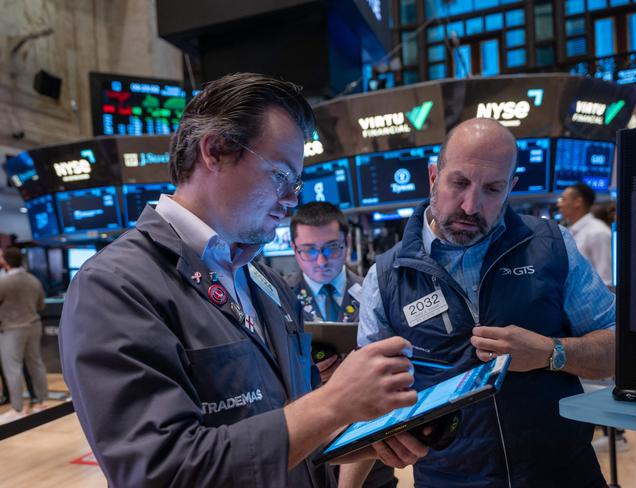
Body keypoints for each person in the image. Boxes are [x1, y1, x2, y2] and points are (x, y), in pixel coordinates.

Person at [59, 73, 433, 488]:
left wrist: (357, 439)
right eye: (280, 177)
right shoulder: (115, 287)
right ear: (215, 150)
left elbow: (289, 424)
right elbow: (161, 474)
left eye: (296, 183)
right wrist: (334, 403)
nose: (292, 200)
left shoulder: (266, 282)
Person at [357, 118, 615, 487]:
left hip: (565, 472)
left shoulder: (552, 246)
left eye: (492, 189)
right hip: (448, 480)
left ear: (511, 188)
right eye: (459, 183)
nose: (470, 205)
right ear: (434, 177)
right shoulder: (386, 277)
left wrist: (550, 352)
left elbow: (619, 348)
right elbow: (370, 399)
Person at [286, 201, 397, 488]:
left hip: (371, 451)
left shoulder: (376, 292)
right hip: (306, 451)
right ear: (294, 249)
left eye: (331, 248)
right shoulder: (278, 300)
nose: (321, 260)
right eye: (309, 250)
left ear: (346, 244)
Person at [0, 247, 49, 424]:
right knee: (36, 364)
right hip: (34, 325)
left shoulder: (4, 282)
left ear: (5, 261)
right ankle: (42, 402)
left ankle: (17, 409)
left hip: (12, 329)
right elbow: (41, 304)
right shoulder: (33, 280)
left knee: (13, 369)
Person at [557, 183, 613, 286]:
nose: (559, 204)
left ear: (578, 202)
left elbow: (606, 280)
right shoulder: (569, 231)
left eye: (563, 199)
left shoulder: (598, 232)